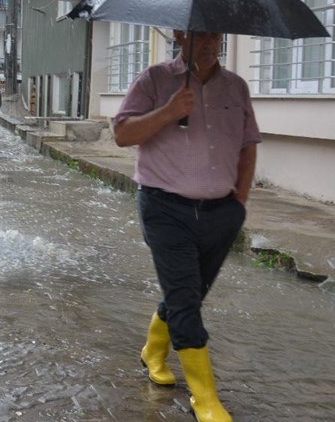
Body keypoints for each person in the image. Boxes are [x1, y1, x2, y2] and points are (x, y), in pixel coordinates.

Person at [112, 30, 258, 422]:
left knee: (188, 293)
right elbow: (122, 135)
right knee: (184, 296)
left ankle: (153, 351)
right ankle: (205, 400)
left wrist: (239, 203)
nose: (211, 41)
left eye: (217, 33)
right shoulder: (154, 80)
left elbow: (248, 145)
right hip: (165, 208)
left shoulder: (236, 87)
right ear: (180, 34)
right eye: (201, 33)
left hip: (221, 213)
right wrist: (168, 112)